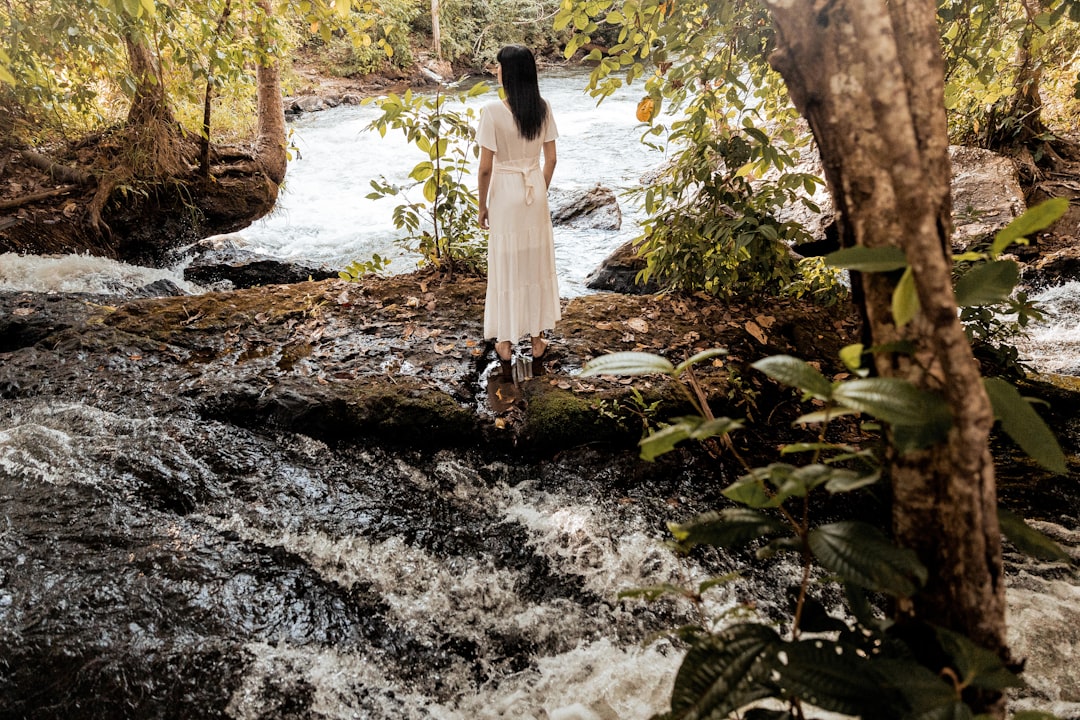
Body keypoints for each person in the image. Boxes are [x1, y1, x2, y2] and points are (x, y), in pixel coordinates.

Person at [476, 45, 560, 378]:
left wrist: (482, 206)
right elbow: (551, 159)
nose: (496, 71)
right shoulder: (543, 108)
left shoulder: (492, 112)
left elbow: (485, 169)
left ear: (507, 73)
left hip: (506, 193)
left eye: (498, 67)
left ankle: (507, 342)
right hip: (533, 192)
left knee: (507, 264)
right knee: (535, 263)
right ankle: (538, 340)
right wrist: (539, 188)